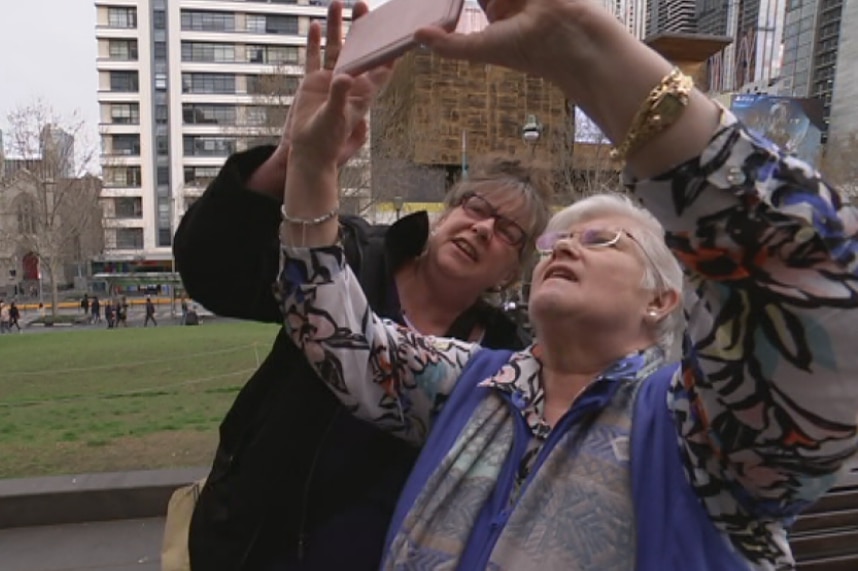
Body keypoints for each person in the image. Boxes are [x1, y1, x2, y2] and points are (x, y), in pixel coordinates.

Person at [275, 0, 858, 569]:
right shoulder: (473, 382)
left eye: (601, 239)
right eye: (553, 244)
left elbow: (814, 283)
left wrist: (587, 51)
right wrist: (311, 166)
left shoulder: (706, 429)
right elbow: (339, 336)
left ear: (663, 297)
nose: (567, 246)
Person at [171, 4, 549, 570]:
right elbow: (212, 268)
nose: (483, 227)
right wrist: (293, 161)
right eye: (475, 206)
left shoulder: (502, 357)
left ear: (509, 273)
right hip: (257, 547)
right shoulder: (343, 252)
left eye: (508, 232)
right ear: (446, 214)